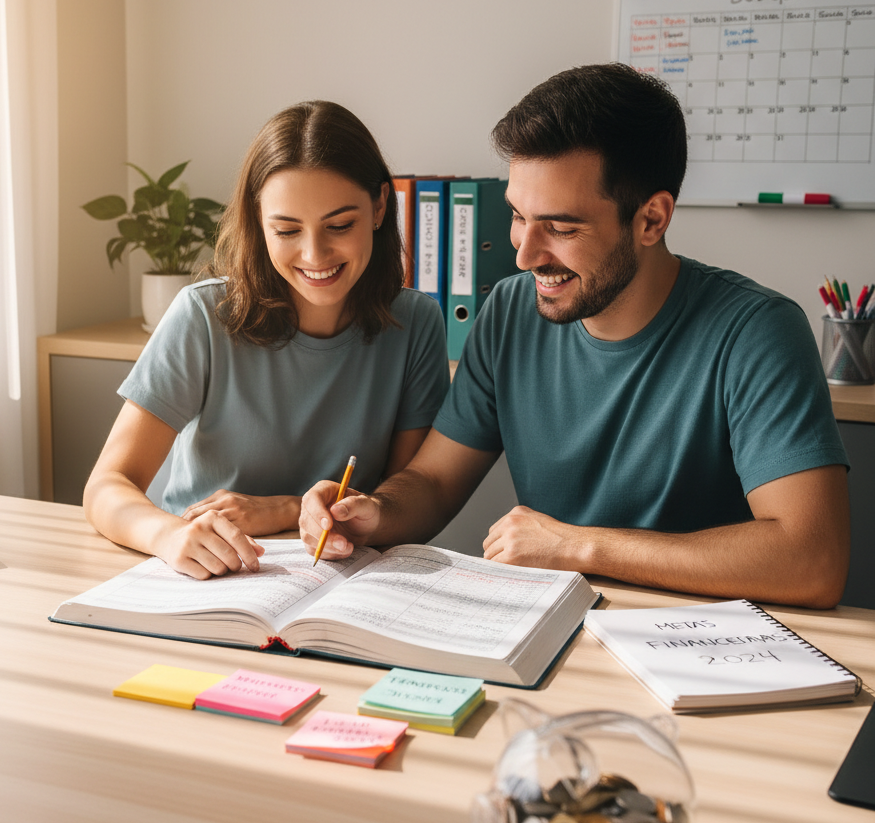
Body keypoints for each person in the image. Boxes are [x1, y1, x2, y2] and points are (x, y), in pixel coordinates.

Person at [300, 64, 851, 609]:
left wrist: (580, 545)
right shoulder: (510, 311)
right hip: (555, 631)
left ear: (652, 220)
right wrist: (374, 511)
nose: (525, 254)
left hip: (703, 647)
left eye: (562, 228)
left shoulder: (757, 332)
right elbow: (435, 482)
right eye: (518, 216)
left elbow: (811, 560)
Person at [84, 100, 449, 580]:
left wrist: (282, 509)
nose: (315, 254)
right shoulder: (203, 316)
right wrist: (167, 535)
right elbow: (107, 485)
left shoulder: (416, 323)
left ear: (380, 206)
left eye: (340, 226)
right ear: (258, 220)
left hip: (339, 582)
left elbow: (402, 505)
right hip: (199, 575)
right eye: (287, 229)